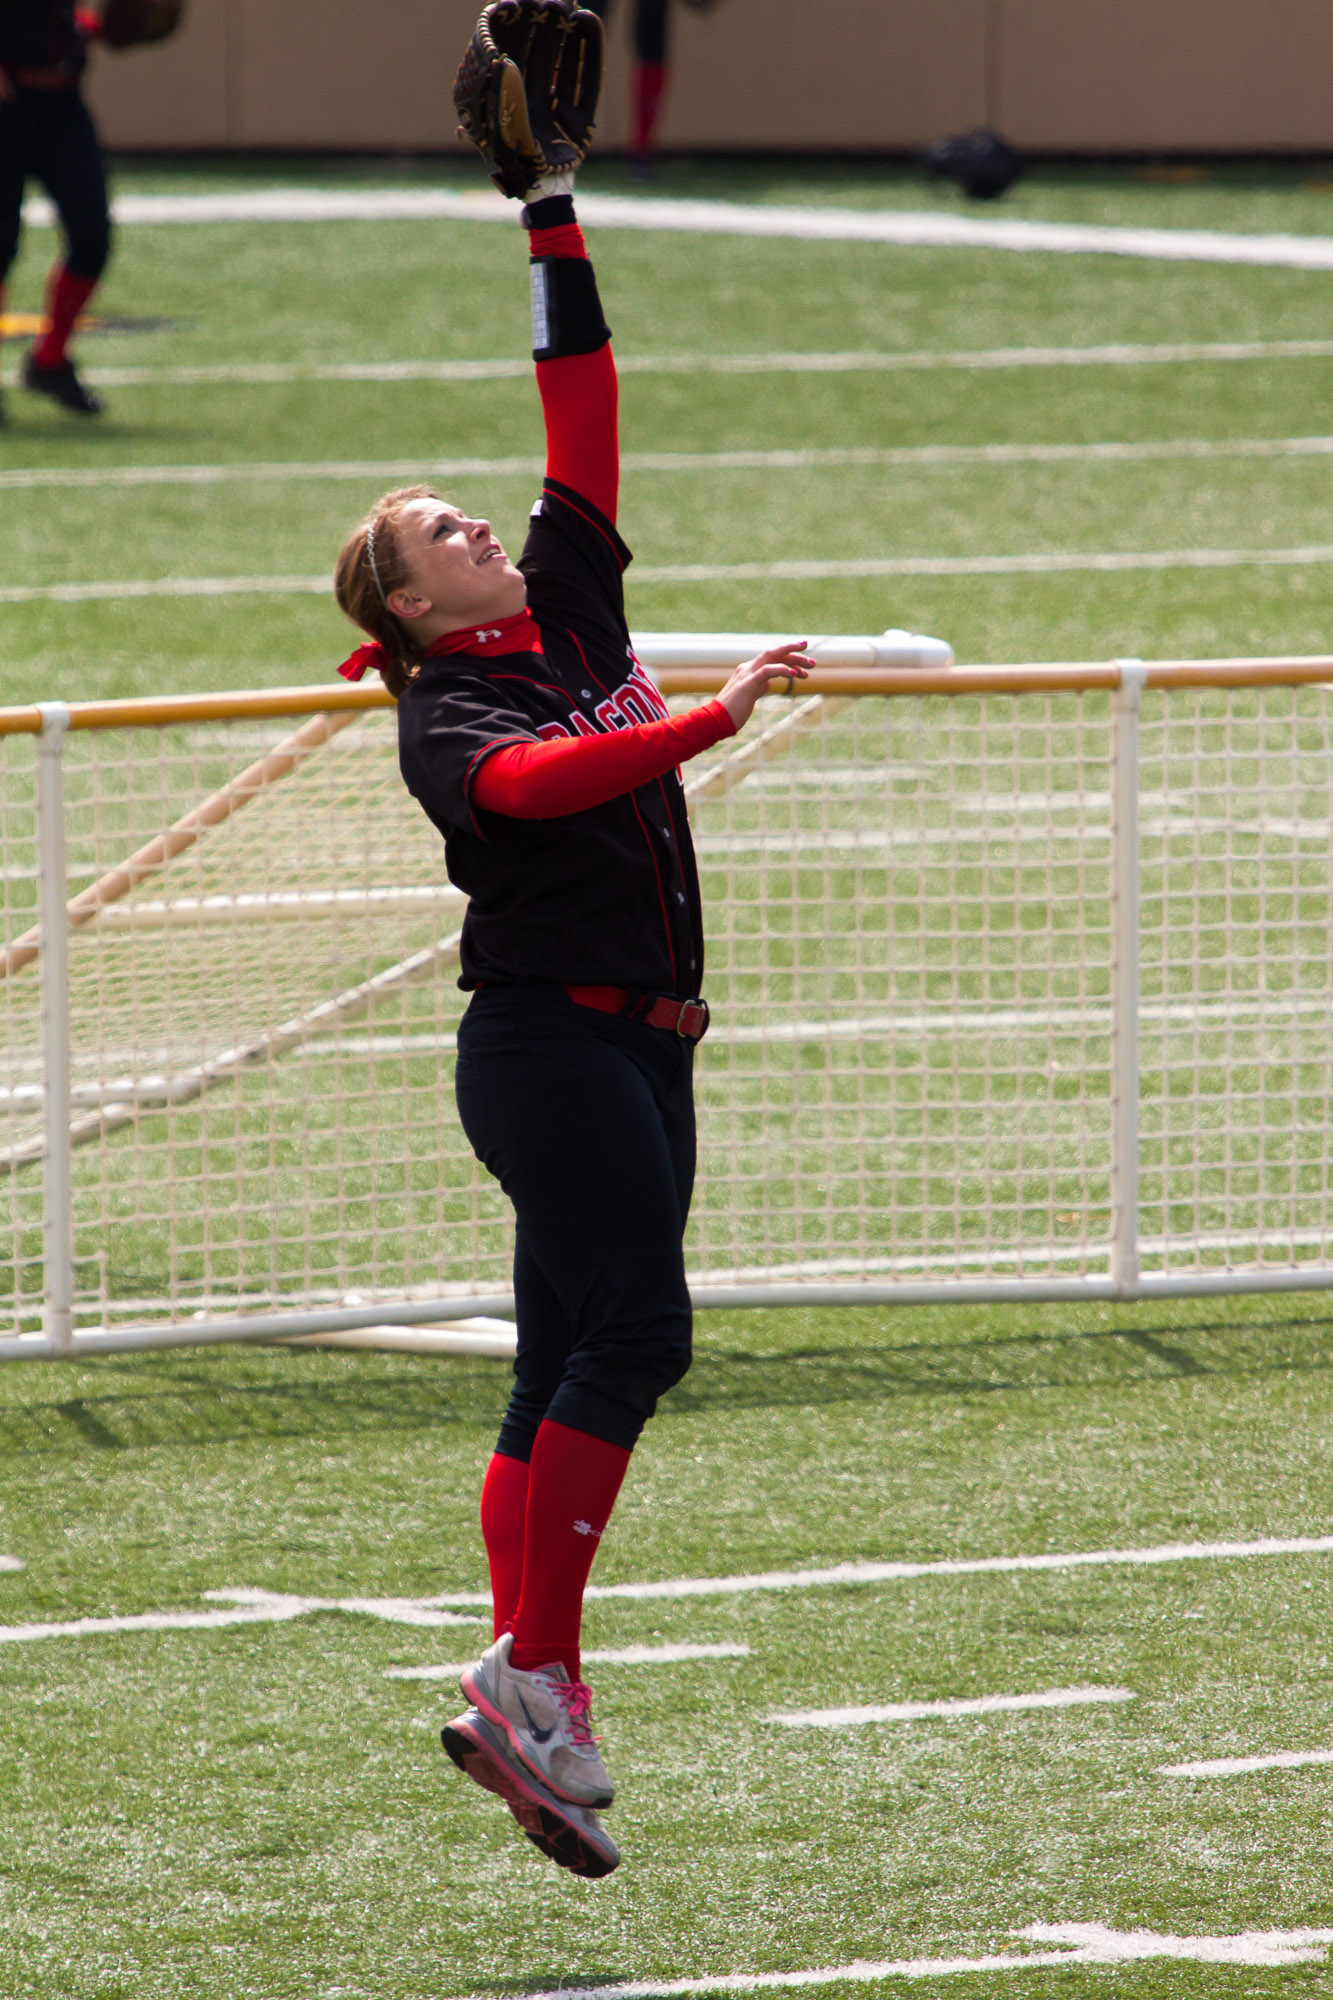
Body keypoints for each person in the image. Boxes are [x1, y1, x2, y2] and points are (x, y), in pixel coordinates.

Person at [332, 165, 812, 1878]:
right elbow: (538, 786)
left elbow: (583, 397)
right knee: (637, 1340)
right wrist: (706, 721)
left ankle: (527, 1691)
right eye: (438, 537)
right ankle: (532, 1672)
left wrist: (549, 208)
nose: (476, 529)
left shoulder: (571, 598)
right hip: (546, 1047)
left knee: (559, 1367)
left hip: (643, 1042)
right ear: (408, 609)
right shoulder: (445, 712)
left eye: (469, 516)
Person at [0, 0, 112, 421]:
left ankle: (49, 361)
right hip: (8, 96)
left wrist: (89, 26)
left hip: (62, 100)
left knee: (91, 235)